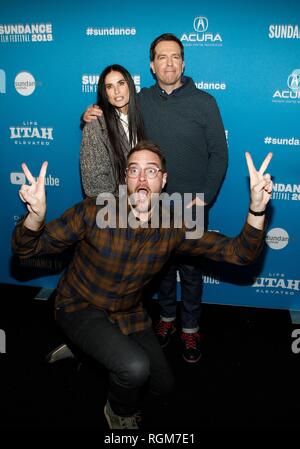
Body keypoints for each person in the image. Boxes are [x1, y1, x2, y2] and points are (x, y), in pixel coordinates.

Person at [12, 141, 272, 429]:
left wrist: (257, 210)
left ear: (163, 180)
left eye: (151, 171)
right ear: (125, 179)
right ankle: (118, 411)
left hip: (127, 313)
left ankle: (87, 346)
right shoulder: (93, 211)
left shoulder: (175, 225)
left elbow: (239, 253)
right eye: (134, 171)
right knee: (134, 368)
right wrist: (35, 218)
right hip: (78, 305)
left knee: (163, 385)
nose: (142, 179)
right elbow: (27, 251)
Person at [83, 33, 228, 363]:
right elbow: (113, 113)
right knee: (160, 269)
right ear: (152, 65)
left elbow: (219, 154)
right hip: (153, 206)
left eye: (175, 56)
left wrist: (204, 198)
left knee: (190, 271)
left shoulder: (205, 102)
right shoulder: (141, 101)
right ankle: (165, 321)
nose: (169, 63)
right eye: (162, 57)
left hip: (190, 205)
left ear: (183, 62)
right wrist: (90, 113)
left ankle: (190, 330)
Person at [80, 64, 145, 197]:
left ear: (130, 85)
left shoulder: (145, 113)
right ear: (104, 92)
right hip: (115, 209)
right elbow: (94, 185)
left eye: (121, 83)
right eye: (109, 86)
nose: (117, 91)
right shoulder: (96, 124)